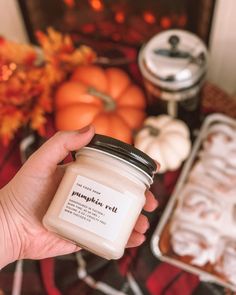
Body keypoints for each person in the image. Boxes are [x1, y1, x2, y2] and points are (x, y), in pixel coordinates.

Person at [0, 125, 158, 269]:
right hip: (105, 162)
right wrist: (11, 227)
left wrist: (12, 230)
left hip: (136, 175)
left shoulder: (135, 190)